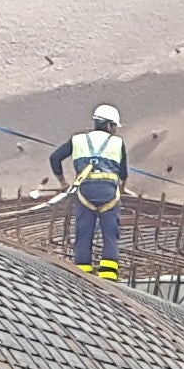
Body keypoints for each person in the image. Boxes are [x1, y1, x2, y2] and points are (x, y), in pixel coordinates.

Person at [51, 104, 130, 277]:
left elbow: (55, 158)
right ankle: (108, 277)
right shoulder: (117, 143)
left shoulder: (77, 140)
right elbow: (123, 173)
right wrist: (121, 190)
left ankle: (82, 275)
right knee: (110, 235)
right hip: (109, 193)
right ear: (110, 125)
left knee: (83, 234)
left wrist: (62, 182)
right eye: (115, 126)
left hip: (85, 192)